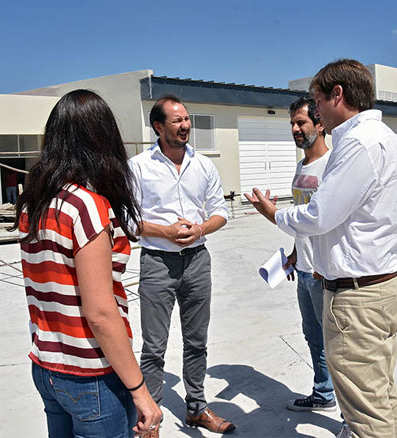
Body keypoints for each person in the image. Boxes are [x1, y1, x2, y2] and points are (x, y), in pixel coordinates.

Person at [244, 59, 397, 438]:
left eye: (317, 101)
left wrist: (275, 215)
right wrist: (380, 248)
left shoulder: (356, 143)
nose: (316, 111)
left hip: (357, 297)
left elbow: (320, 216)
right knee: (379, 396)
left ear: (338, 95)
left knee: (366, 412)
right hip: (381, 283)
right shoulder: (387, 138)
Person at [14, 89, 161, 437]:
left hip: (48, 365)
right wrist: (140, 391)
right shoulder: (86, 207)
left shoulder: (34, 202)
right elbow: (100, 312)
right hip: (91, 373)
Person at [129, 94, 234, 437]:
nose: (186, 125)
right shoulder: (138, 167)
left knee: (197, 341)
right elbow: (128, 222)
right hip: (157, 262)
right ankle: (150, 419)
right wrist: (167, 233)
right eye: (177, 121)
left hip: (197, 261)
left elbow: (221, 211)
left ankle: (196, 408)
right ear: (158, 127)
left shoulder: (203, 165)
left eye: (186, 119)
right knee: (154, 347)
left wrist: (200, 229)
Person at [282, 97, 337, 412]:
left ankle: (350, 415)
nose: (295, 129)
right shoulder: (301, 166)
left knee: (336, 344)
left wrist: (323, 266)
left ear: (320, 124)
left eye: (301, 122)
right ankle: (323, 392)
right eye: (292, 123)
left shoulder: (333, 165)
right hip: (303, 268)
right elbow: (303, 216)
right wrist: (293, 253)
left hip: (325, 272)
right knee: (313, 337)